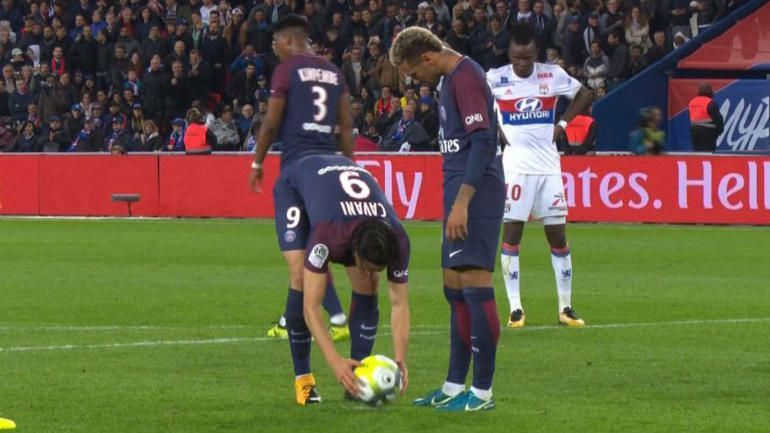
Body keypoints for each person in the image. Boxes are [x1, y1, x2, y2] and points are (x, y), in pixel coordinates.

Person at [390, 26, 504, 412]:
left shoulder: (466, 76)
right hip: (457, 192)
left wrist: (463, 202)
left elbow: (485, 140)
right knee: (454, 287)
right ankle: (455, 385)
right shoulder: (449, 79)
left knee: (474, 283)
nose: (414, 81)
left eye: (413, 72)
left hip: (476, 194)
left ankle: (483, 393)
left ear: (427, 58)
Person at [247, 15, 355, 406]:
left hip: (296, 174)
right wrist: (349, 168)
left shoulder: (287, 69)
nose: (275, 50)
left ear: (289, 41)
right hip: (331, 174)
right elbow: (346, 126)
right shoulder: (333, 71)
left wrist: (257, 160)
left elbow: (273, 119)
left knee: (299, 274)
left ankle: (304, 381)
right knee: (337, 266)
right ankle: (352, 367)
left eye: (276, 43)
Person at [486, 23, 592, 329]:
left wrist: (562, 124)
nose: (522, 64)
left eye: (528, 58)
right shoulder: (495, 78)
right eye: (518, 57)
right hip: (516, 169)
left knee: (558, 237)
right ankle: (516, 308)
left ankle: (566, 307)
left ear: (536, 53)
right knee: (512, 236)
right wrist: (496, 129)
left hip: (549, 168)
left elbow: (585, 93)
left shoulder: (551, 74)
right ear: (509, 53)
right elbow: (474, 103)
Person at [286, 153, 412, 403]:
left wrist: (400, 356)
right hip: (297, 184)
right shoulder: (327, 235)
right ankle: (304, 381)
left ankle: (355, 379)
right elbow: (311, 308)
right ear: (354, 249)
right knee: (301, 278)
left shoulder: (399, 239)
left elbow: (400, 303)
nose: (369, 270)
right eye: (366, 265)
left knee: (369, 284)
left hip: (342, 200)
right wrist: (335, 362)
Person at [688, 82, 724, 152]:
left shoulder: (692, 102)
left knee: (697, 154)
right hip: (708, 132)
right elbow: (718, 119)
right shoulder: (710, 102)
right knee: (708, 154)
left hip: (694, 131)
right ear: (710, 92)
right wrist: (719, 131)